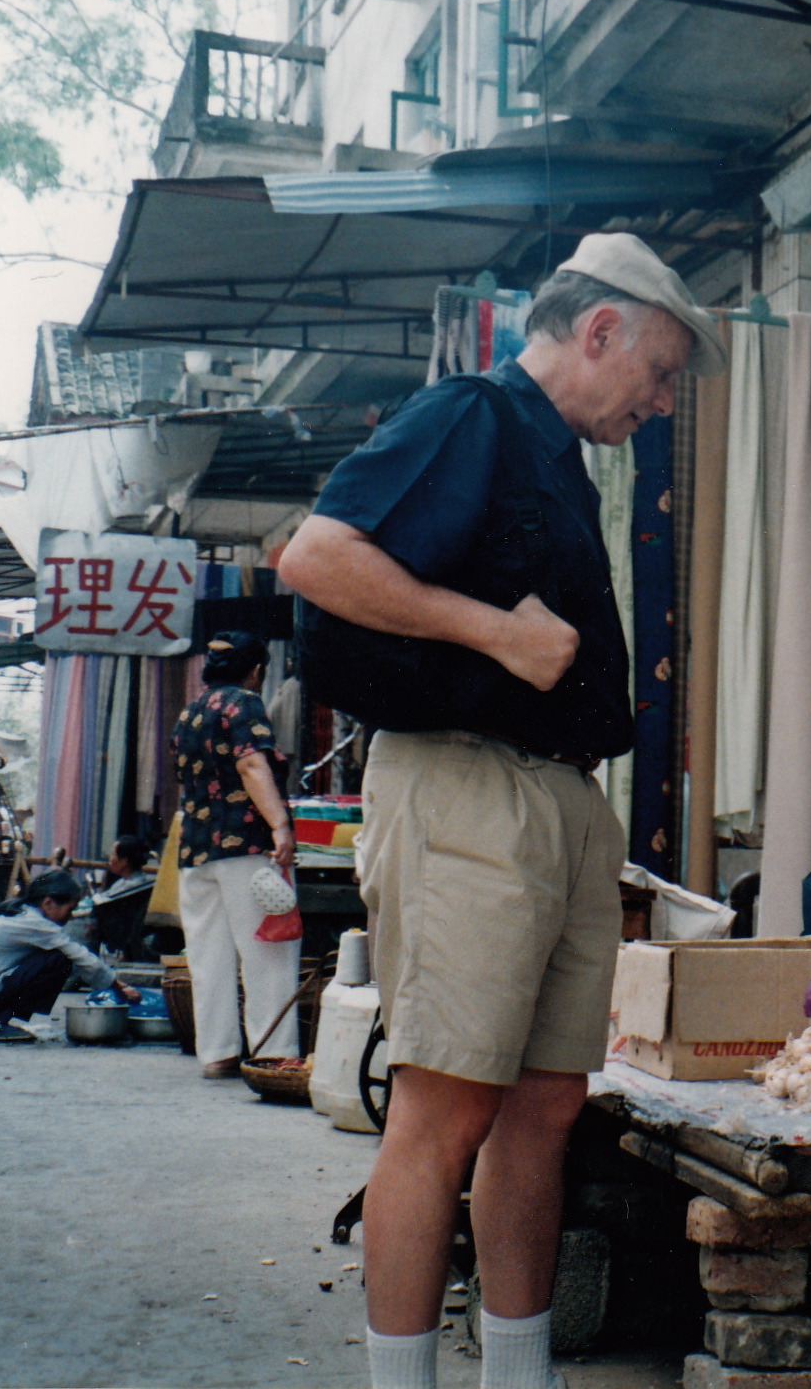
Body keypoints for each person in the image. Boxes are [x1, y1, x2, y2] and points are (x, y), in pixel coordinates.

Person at [280, 232, 722, 1389]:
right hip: (468, 787)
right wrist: (492, 631)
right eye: (661, 370)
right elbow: (317, 558)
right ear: (600, 330)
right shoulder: (471, 413)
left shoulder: (554, 451)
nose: (663, 398)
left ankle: (518, 1373)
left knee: (543, 1106)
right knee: (444, 1107)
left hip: (553, 797)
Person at [170, 631, 300, 1080]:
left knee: (209, 958)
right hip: (247, 846)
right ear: (256, 670)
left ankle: (217, 1054)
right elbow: (250, 763)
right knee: (269, 953)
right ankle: (272, 1055)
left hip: (196, 850)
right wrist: (280, 823)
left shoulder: (190, 712)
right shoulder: (243, 703)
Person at [0, 869, 140, 1040]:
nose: (70, 917)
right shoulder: (36, 924)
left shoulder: (22, 914)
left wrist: (112, 983)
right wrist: (119, 987)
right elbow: (80, 956)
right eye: (69, 910)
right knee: (59, 959)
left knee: (58, 956)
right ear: (48, 903)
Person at [90, 834, 156, 962]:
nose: (110, 859)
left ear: (124, 861)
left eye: (113, 855)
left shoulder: (135, 886)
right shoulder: (120, 882)